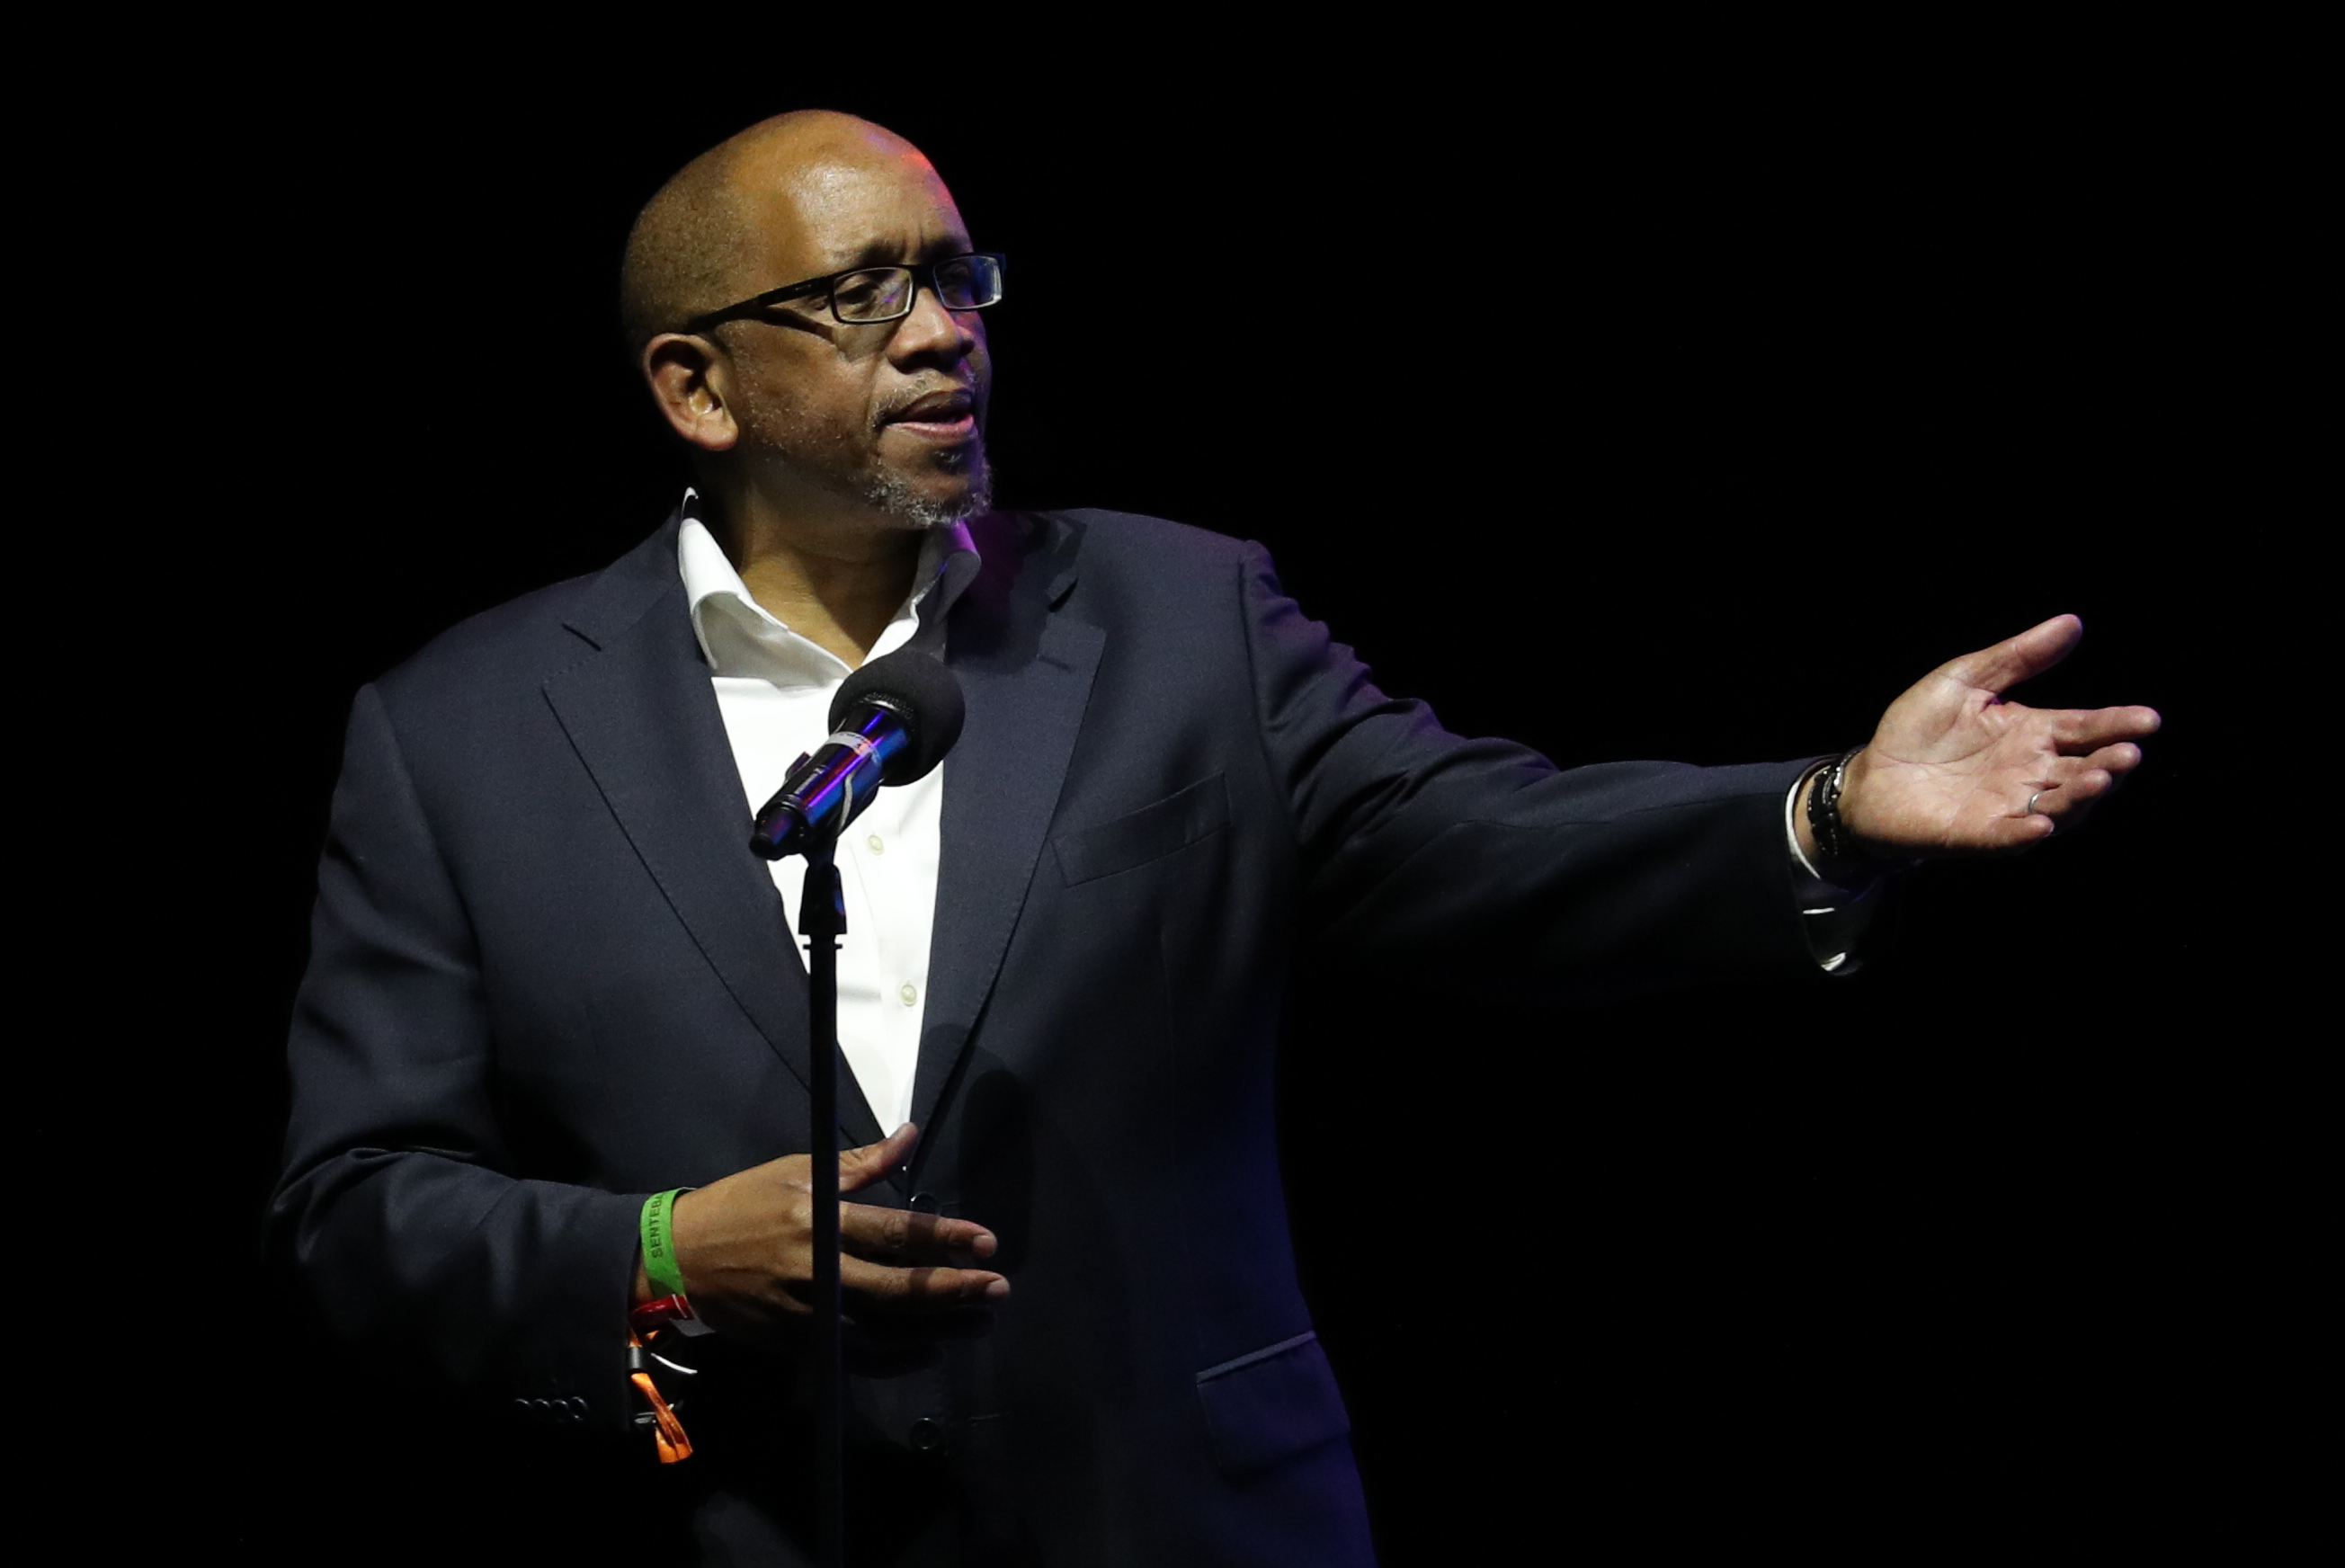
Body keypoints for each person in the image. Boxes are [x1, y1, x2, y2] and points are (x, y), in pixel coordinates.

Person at [270, 111, 2160, 1566]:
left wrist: (1825, 805)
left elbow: (1476, 841)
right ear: (694, 384)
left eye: (957, 278)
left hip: (1175, 1518)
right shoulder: (459, 733)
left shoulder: (1178, 621)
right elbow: (356, 1207)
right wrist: (664, 1248)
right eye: (863, 296)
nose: (943, 336)